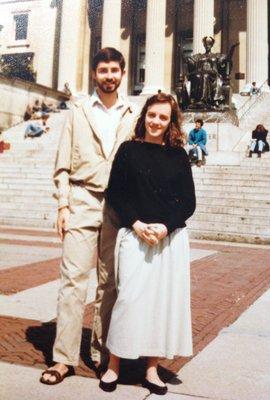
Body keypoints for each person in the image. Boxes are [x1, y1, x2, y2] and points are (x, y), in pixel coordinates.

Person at [40, 47, 139, 385]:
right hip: (82, 199)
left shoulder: (133, 113)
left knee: (109, 284)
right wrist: (63, 205)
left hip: (119, 206)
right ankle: (63, 359)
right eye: (103, 70)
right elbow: (62, 163)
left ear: (122, 73)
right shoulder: (78, 111)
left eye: (114, 70)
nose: (109, 76)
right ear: (94, 74)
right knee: (72, 282)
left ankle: (101, 355)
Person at [99, 93, 196, 395]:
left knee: (160, 304)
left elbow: (188, 202)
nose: (156, 122)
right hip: (135, 234)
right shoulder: (129, 150)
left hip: (168, 239)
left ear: (171, 122)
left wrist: (165, 227)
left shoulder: (179, 155)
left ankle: (151, 369)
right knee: (128, 300)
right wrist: (137, 224)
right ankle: (113, 364)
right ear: (144, 117)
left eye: (163, 117)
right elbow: (115, 193)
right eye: (152, 115)